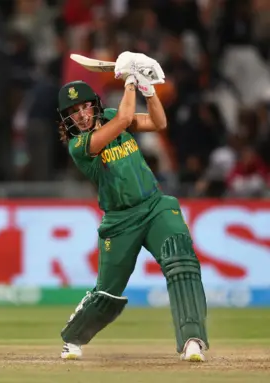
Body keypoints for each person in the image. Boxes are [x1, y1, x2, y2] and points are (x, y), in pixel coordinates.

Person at [56, 53, 209, 362]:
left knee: (181, 261)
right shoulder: (79, 146)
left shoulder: (111, 113)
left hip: (155, 207)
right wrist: (130, 80)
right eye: (74, 112)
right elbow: (125, 120)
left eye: (85, 106)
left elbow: (158, 122)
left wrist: (148, 90)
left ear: (95, 105)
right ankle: (73, 338)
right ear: (67, 119)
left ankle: (193, 339)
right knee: (108, 294)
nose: (82, 115)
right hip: (120, 221)